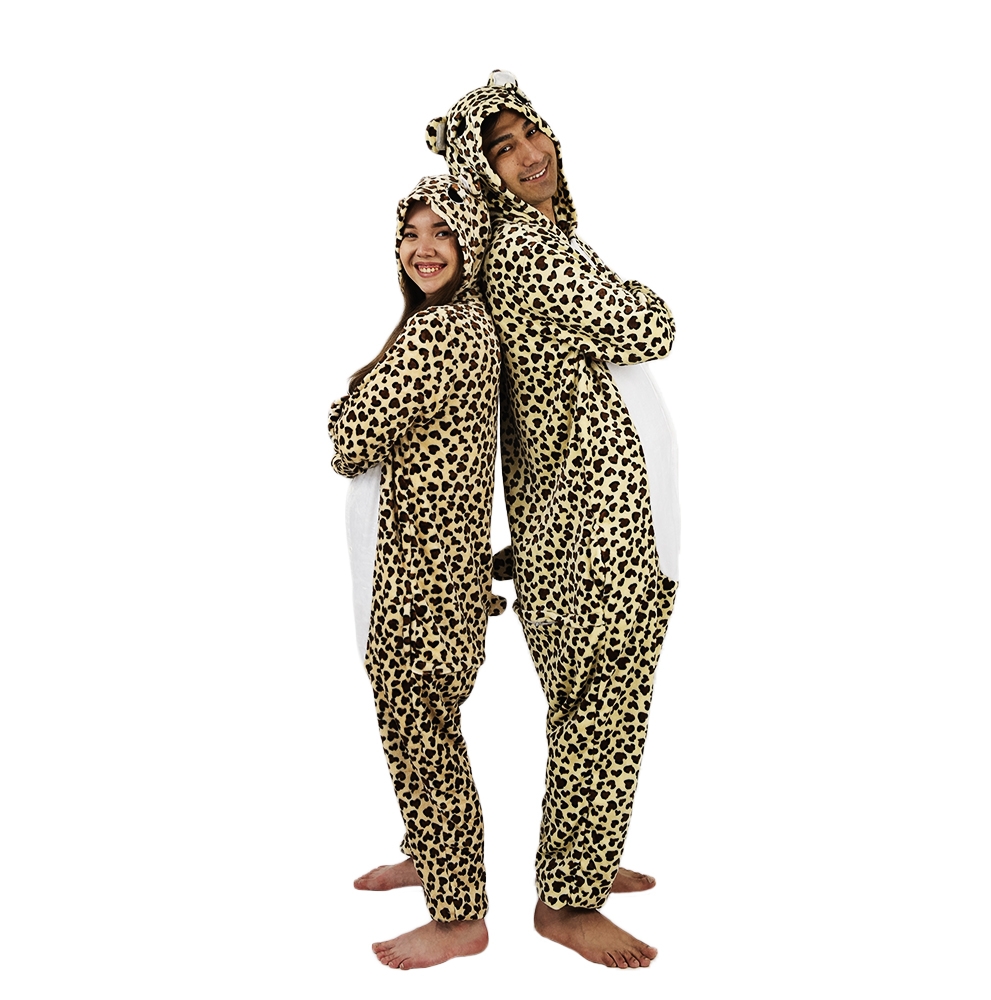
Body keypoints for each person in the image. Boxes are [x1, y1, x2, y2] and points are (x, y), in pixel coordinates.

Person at [422, 71, 681, 968]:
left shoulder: (530, 243)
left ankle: (586, 854)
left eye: (533, 133)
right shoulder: (534, 251)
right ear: (482, 172)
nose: (530, 154)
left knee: (597, 698)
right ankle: (568, 900)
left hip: (579, 514)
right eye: (503, 149)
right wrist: (636, 293)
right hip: (593, 523)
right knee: (601, 697)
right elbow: (651, 326)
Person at [328, 174, 503, 970]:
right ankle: (432, 853)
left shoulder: (440, 333)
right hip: (435, 575)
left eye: (443, 232)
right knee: (416, 733)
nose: (423, 248)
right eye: (411, 234)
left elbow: (348, 442)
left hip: (422, 587)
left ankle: (459, 915)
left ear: (471, 244)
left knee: (425, 739)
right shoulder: (461, 323)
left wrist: (344, 406)